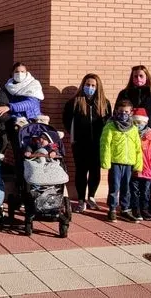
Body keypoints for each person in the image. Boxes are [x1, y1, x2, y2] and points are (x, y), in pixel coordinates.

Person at [115, 65, 151, 217]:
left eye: (141, 76)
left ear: (147, 76)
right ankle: (131, 204)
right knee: (131, 175)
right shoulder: (125, 93)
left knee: (148, 173)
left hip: (150, 140)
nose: (138, 79)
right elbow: (117, 114)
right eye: (135, 76)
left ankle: (147, 202)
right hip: (130, 140)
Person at [62, 73, 112, 213]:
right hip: (80, 143)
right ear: (83, 85)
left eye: (93, 85)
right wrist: (74, 135)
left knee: (95, 171)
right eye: (87, 85)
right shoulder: (74, 102)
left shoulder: (104, 103)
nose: (90, 87)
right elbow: (66, 120)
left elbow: (108, 123)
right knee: (81, 171)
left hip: (98, 143)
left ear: (98, 87)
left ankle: (91, 197)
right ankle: (81, 200)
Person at [100, 99, 143, 223]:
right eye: (121, 111)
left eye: (126, 112)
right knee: (114, 186)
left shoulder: (133, 129)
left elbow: (137, 147)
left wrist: (138, 164)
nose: (123, 114)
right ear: (116, 111)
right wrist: (105, 161)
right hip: (115, 162)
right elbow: (105, 145)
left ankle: (125, 209)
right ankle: (112, 209)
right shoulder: (110, 126)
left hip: (129, 163)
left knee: (126, 187)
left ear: (130, 113)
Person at [4, 62, 44, 189]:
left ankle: (35, 185)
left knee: (33, 156)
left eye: (22, 71)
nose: (19, 74)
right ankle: (21, 187)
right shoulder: (8, 87)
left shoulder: (34, 85)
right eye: (17, 71)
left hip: (32, 127)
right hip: (16, 127)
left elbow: (30, 103)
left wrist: (9, 107)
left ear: (27, 73)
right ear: (12, 73)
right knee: (19, 158)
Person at [130, 108, 151, 221]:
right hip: (135, 170)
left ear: (145, 122)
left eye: (141, 122)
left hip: (148, 170)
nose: (138, 125)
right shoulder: (130, 134)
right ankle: (135, 210)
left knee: (146, 192)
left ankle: (144, 210)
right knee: (134, 192)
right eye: (135, 122)